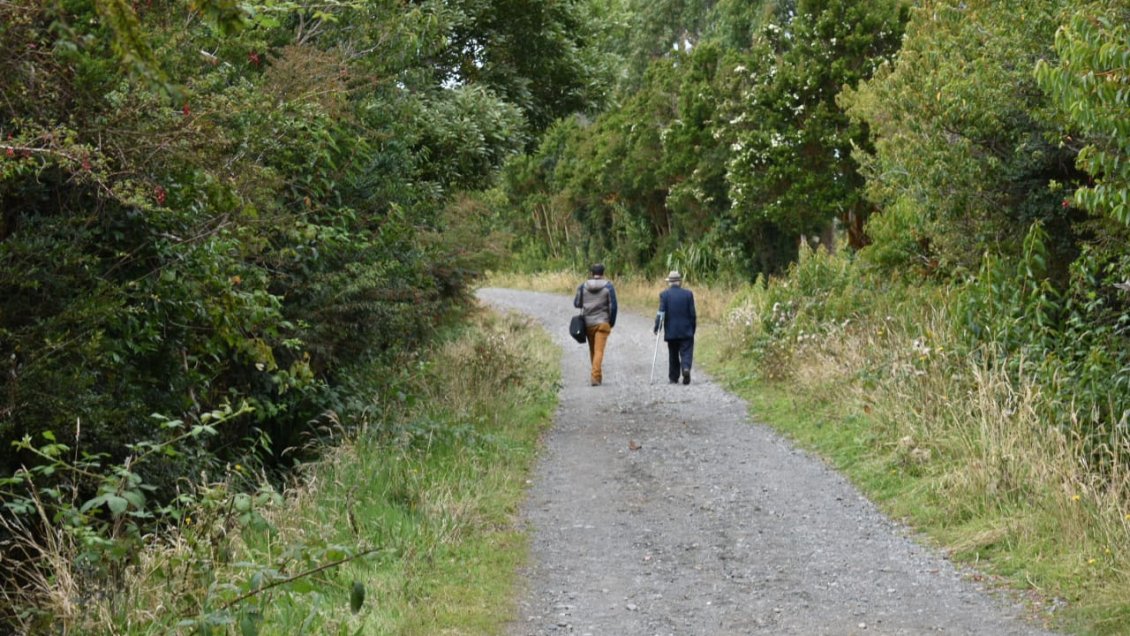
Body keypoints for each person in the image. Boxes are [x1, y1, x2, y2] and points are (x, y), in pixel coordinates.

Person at [574, 263, 618, 386]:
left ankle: (596, 376)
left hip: (588, 324)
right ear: (603, 273)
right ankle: (595, 377)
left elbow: (577, 303)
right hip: (603, 323)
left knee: (593, 350)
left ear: (592, 273)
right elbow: (613, 306)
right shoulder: (608, 287)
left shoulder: (583, 286)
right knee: (599, 351)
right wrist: (611, 322)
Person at [653, 270, 696, 385]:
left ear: (669, 282)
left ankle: (673, 377)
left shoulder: (664, 295)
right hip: (686, 329)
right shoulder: (688, 294)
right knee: (686, 351)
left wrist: (657, 327)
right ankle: (686, 368)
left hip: (671, 331)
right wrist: (693, 328)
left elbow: (661, 313)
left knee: (673, 353)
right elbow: (692, 314)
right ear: (679, 282)